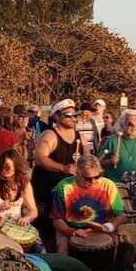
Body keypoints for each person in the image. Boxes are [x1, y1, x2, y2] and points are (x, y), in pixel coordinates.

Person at [31, 98, 82, 247]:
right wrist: (63, 168)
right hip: (45, 192)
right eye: (68, 115)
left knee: (63, 231)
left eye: (74, 115)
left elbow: (86, 159)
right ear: (57, 117)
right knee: (45, 231)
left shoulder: (78, 137)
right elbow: (39, 158)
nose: (73, 118)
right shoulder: (50, 135)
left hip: (65, 194)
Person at [97, 110, 136, 183]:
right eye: (130, 124)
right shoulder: (113, 140)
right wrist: (110, 162)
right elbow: (98, 162)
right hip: (117, 184)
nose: (134, 127)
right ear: (122, 124)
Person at [0, 149, 38, 226]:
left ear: (16, 166)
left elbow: (33, 210)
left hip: (16, 226)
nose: (3, 170)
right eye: (1, 166)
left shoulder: (24, 184)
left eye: (7, 167)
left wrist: (27, 218)